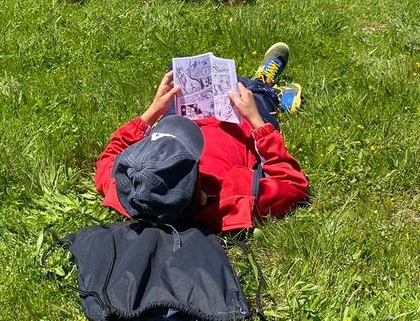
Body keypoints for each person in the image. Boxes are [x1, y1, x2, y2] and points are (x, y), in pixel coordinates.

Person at [95, 43, 309, 233]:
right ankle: (268, 88)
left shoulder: (129, 189)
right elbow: (293, 185)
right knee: (254, 94)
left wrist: (153, 111)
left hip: (181, 117)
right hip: (241, 124)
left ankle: (258, 89)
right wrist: (256, 121)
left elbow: (109, 158)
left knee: (177, 75)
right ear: (201, 195)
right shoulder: (233, 200)